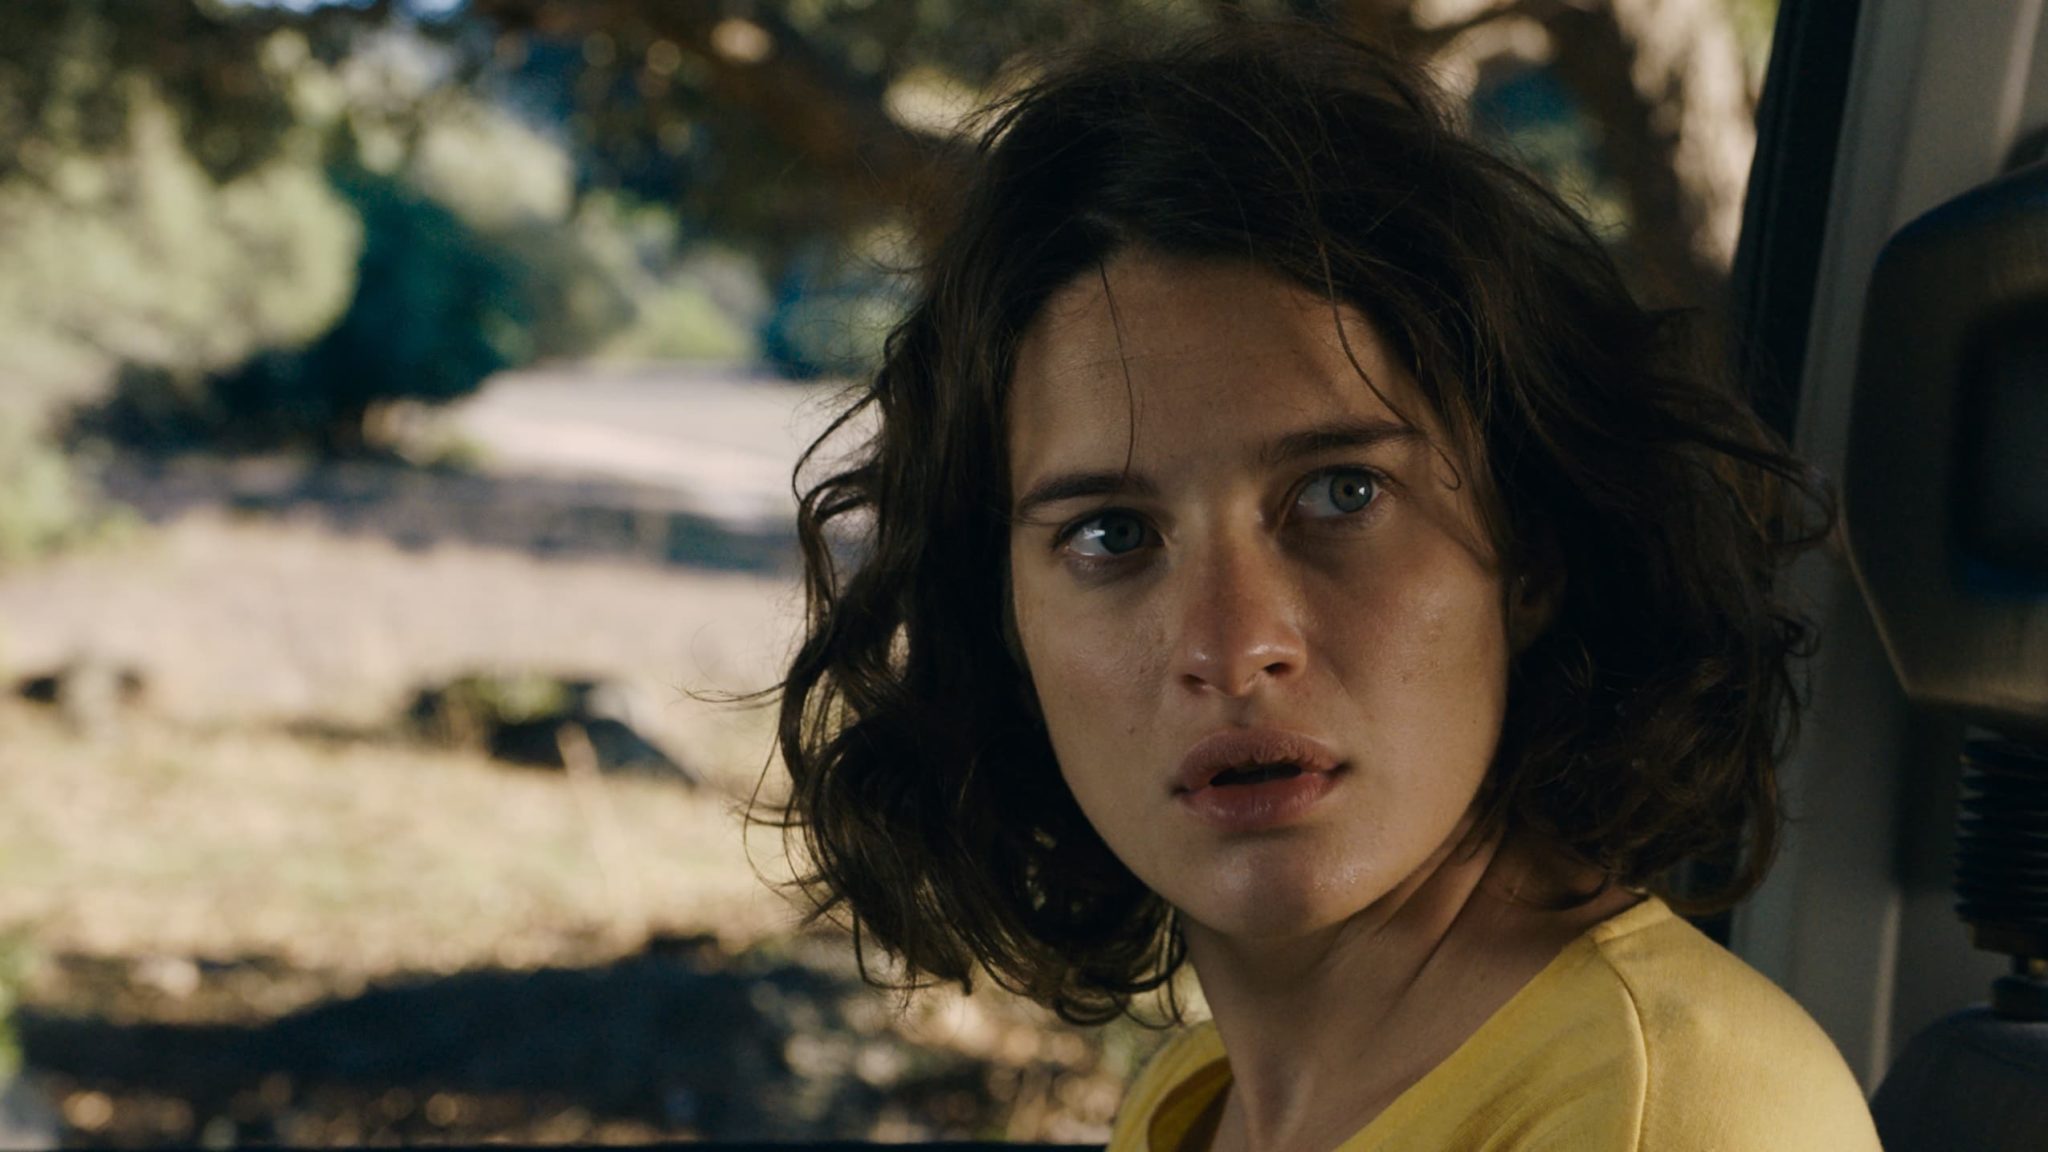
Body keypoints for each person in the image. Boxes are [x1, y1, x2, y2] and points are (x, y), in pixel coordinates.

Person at [768, 21, 1882, 1151]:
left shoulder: (1665, 1114)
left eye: (1341, 495)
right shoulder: (1197, 1104)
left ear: (1532, 553)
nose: (1231, 645)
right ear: (1005, 625)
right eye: (1112, 533)